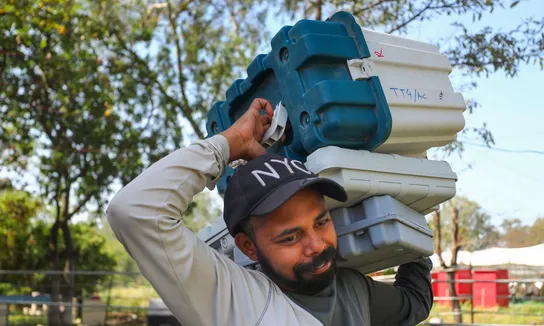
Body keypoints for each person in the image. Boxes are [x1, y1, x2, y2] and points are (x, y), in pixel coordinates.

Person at [107, 98, 434, 326]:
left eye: (321, 222)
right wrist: (233, 140)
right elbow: (135, 211)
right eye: (290, 237)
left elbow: (413, 303)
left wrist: (412, 218)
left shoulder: (352, 289)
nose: (316, 245)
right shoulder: (236, 301)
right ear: (248, 246)